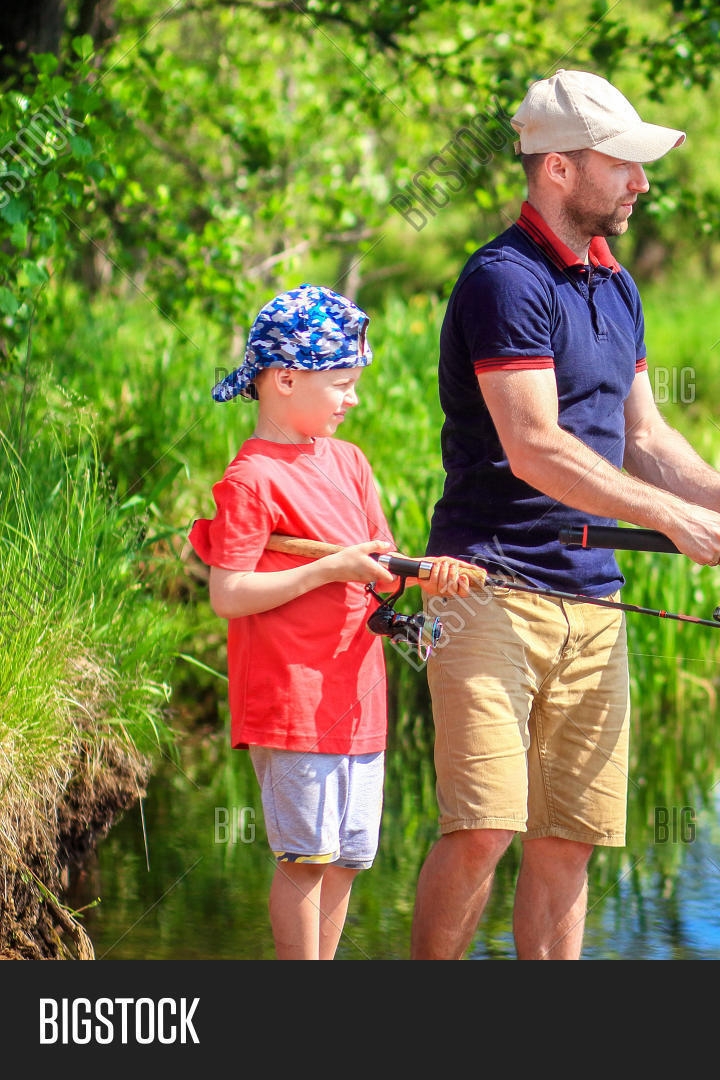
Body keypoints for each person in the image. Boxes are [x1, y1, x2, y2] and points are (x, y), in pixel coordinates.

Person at [413, 69, 720, 960]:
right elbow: (535, 446)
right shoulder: (503, 282)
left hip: (594, 602)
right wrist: (669, 519)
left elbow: (643, 436)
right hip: (486, 589)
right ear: (556, 168)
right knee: (483, 828)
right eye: (622, 163)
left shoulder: (617, 287)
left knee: (570, 836)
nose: (641, 181)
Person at [189, 283, 471, 960]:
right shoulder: (251, 478)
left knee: (346, 857)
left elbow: (379, 563)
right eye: (342, 383)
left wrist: (426, 570)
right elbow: (228, 594)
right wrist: (326, 570)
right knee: (305, 857)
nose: (353, 398)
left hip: (358, 696)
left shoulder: (349, 462)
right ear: (285, 379)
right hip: (293, 700)